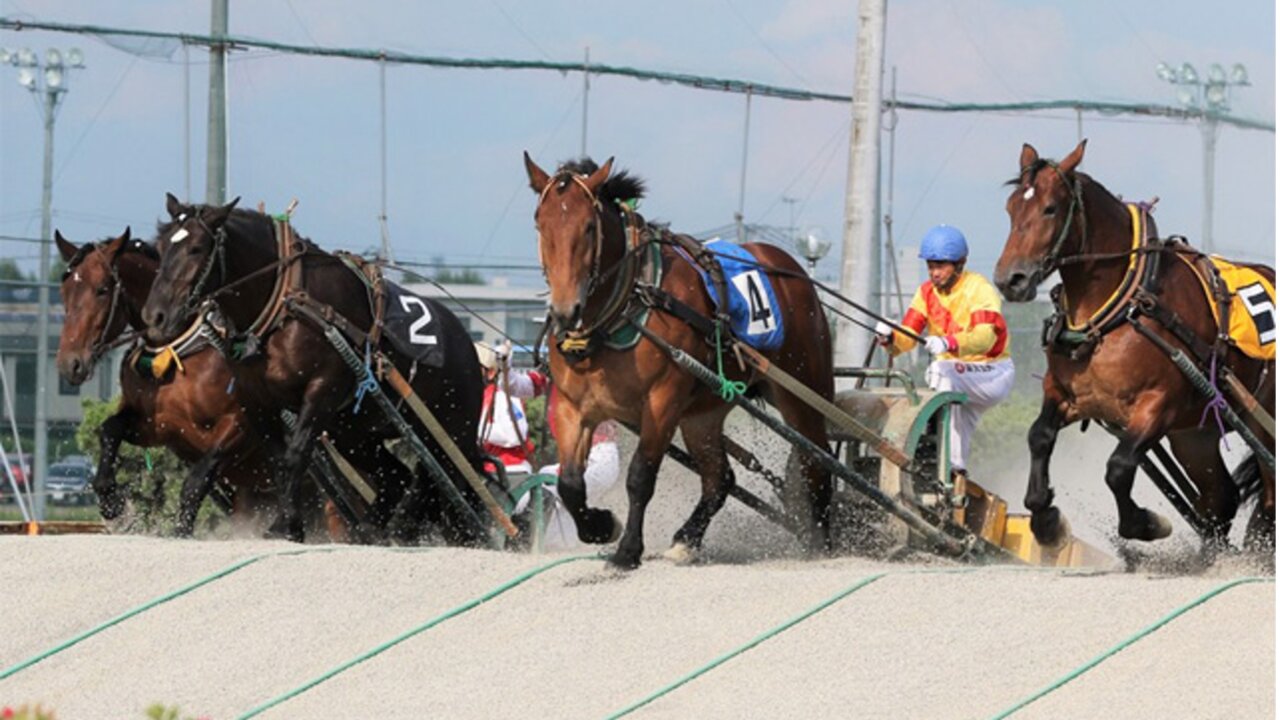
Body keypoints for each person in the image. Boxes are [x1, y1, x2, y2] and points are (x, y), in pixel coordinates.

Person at [874, 224, 1015, 486]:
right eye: (930, 266)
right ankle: (953, 474)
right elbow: (909, 335)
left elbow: (987, 338)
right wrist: (891, 337)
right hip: (960, 375)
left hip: (993, 371)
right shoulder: (925, 292)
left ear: (960, 264)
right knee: (950, 392)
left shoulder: (979, 288)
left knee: (940, 370)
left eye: (941, 266)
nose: (934, 273)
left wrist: (948, 342)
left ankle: (933, 453)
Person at [476, 342, 548, 476]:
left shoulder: (502, 397)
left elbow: (513, 436)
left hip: (510, 471)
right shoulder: (475, 397)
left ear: (491, 373)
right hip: (486, 470)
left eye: (475, 367)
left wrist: (474, 429)